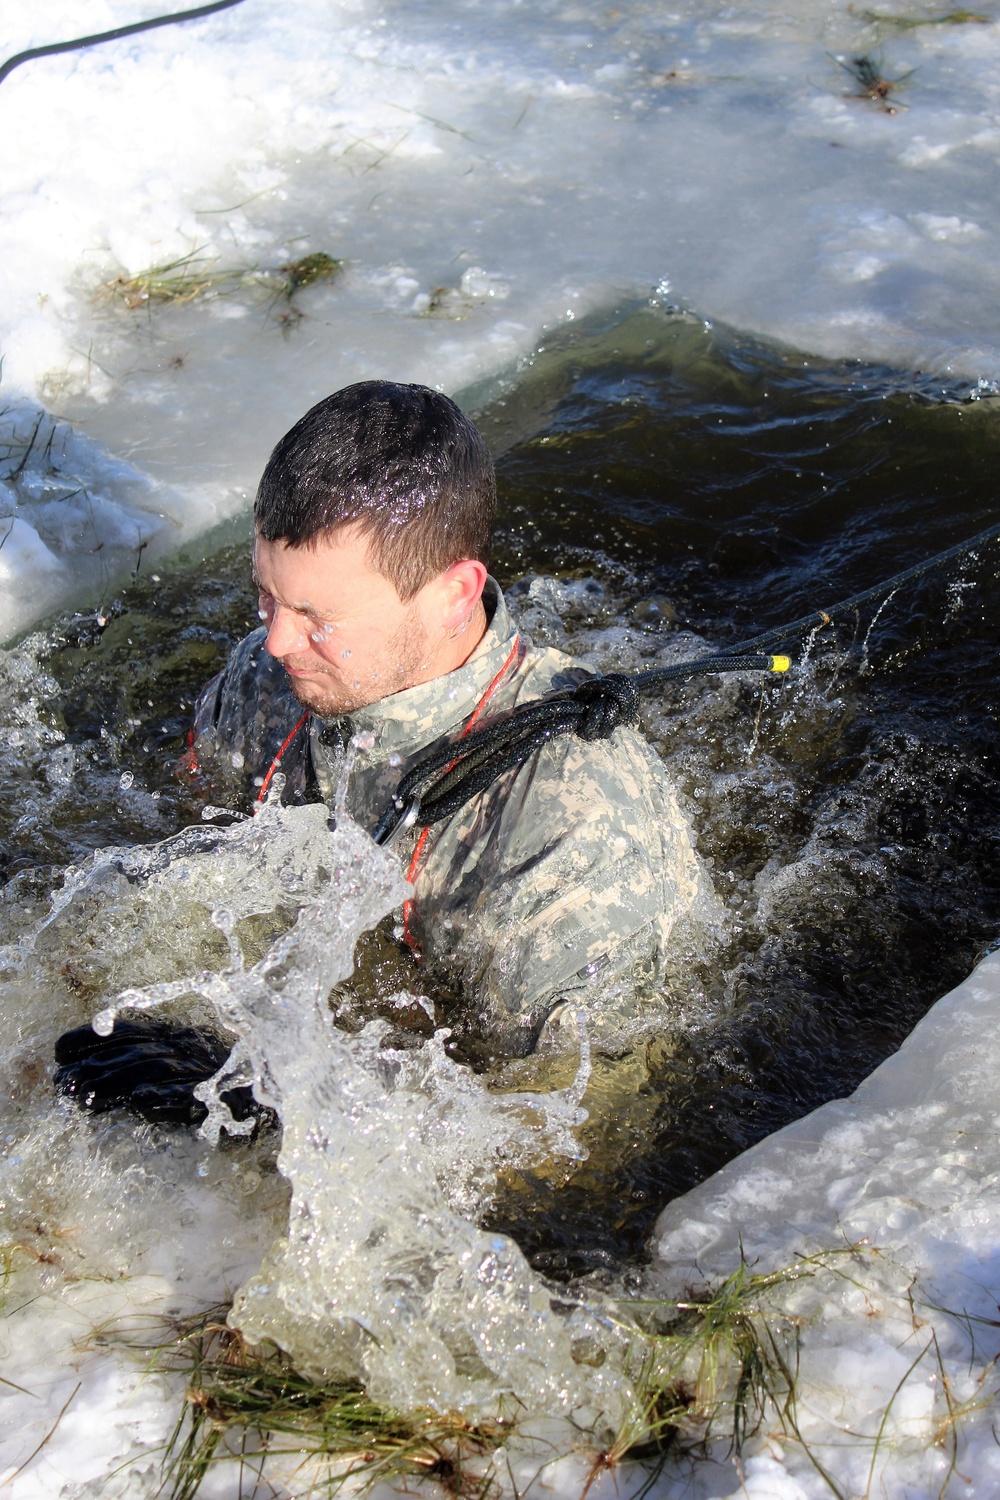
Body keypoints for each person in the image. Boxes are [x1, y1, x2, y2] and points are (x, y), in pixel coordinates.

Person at [188, 380, 702, 1061]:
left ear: (452, 595)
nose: (277, 641)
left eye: (317, 616)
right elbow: (192, 812)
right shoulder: (270, 674)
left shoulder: (571, 831)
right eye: (265, 595)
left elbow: (574, 1127)